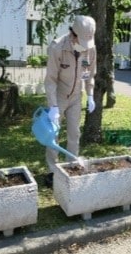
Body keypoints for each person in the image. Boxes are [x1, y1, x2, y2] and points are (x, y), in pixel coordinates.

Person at [44, 15, 96, 187]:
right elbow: (50, 79)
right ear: (73, 34)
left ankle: (72, 165)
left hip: (76, 96)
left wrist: (89, 94)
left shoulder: (90, 48)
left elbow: (90, 74)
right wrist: (52, 106)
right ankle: (52, 170)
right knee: (53, 135)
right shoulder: (57, 47)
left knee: (74, 133)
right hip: (59, 96)